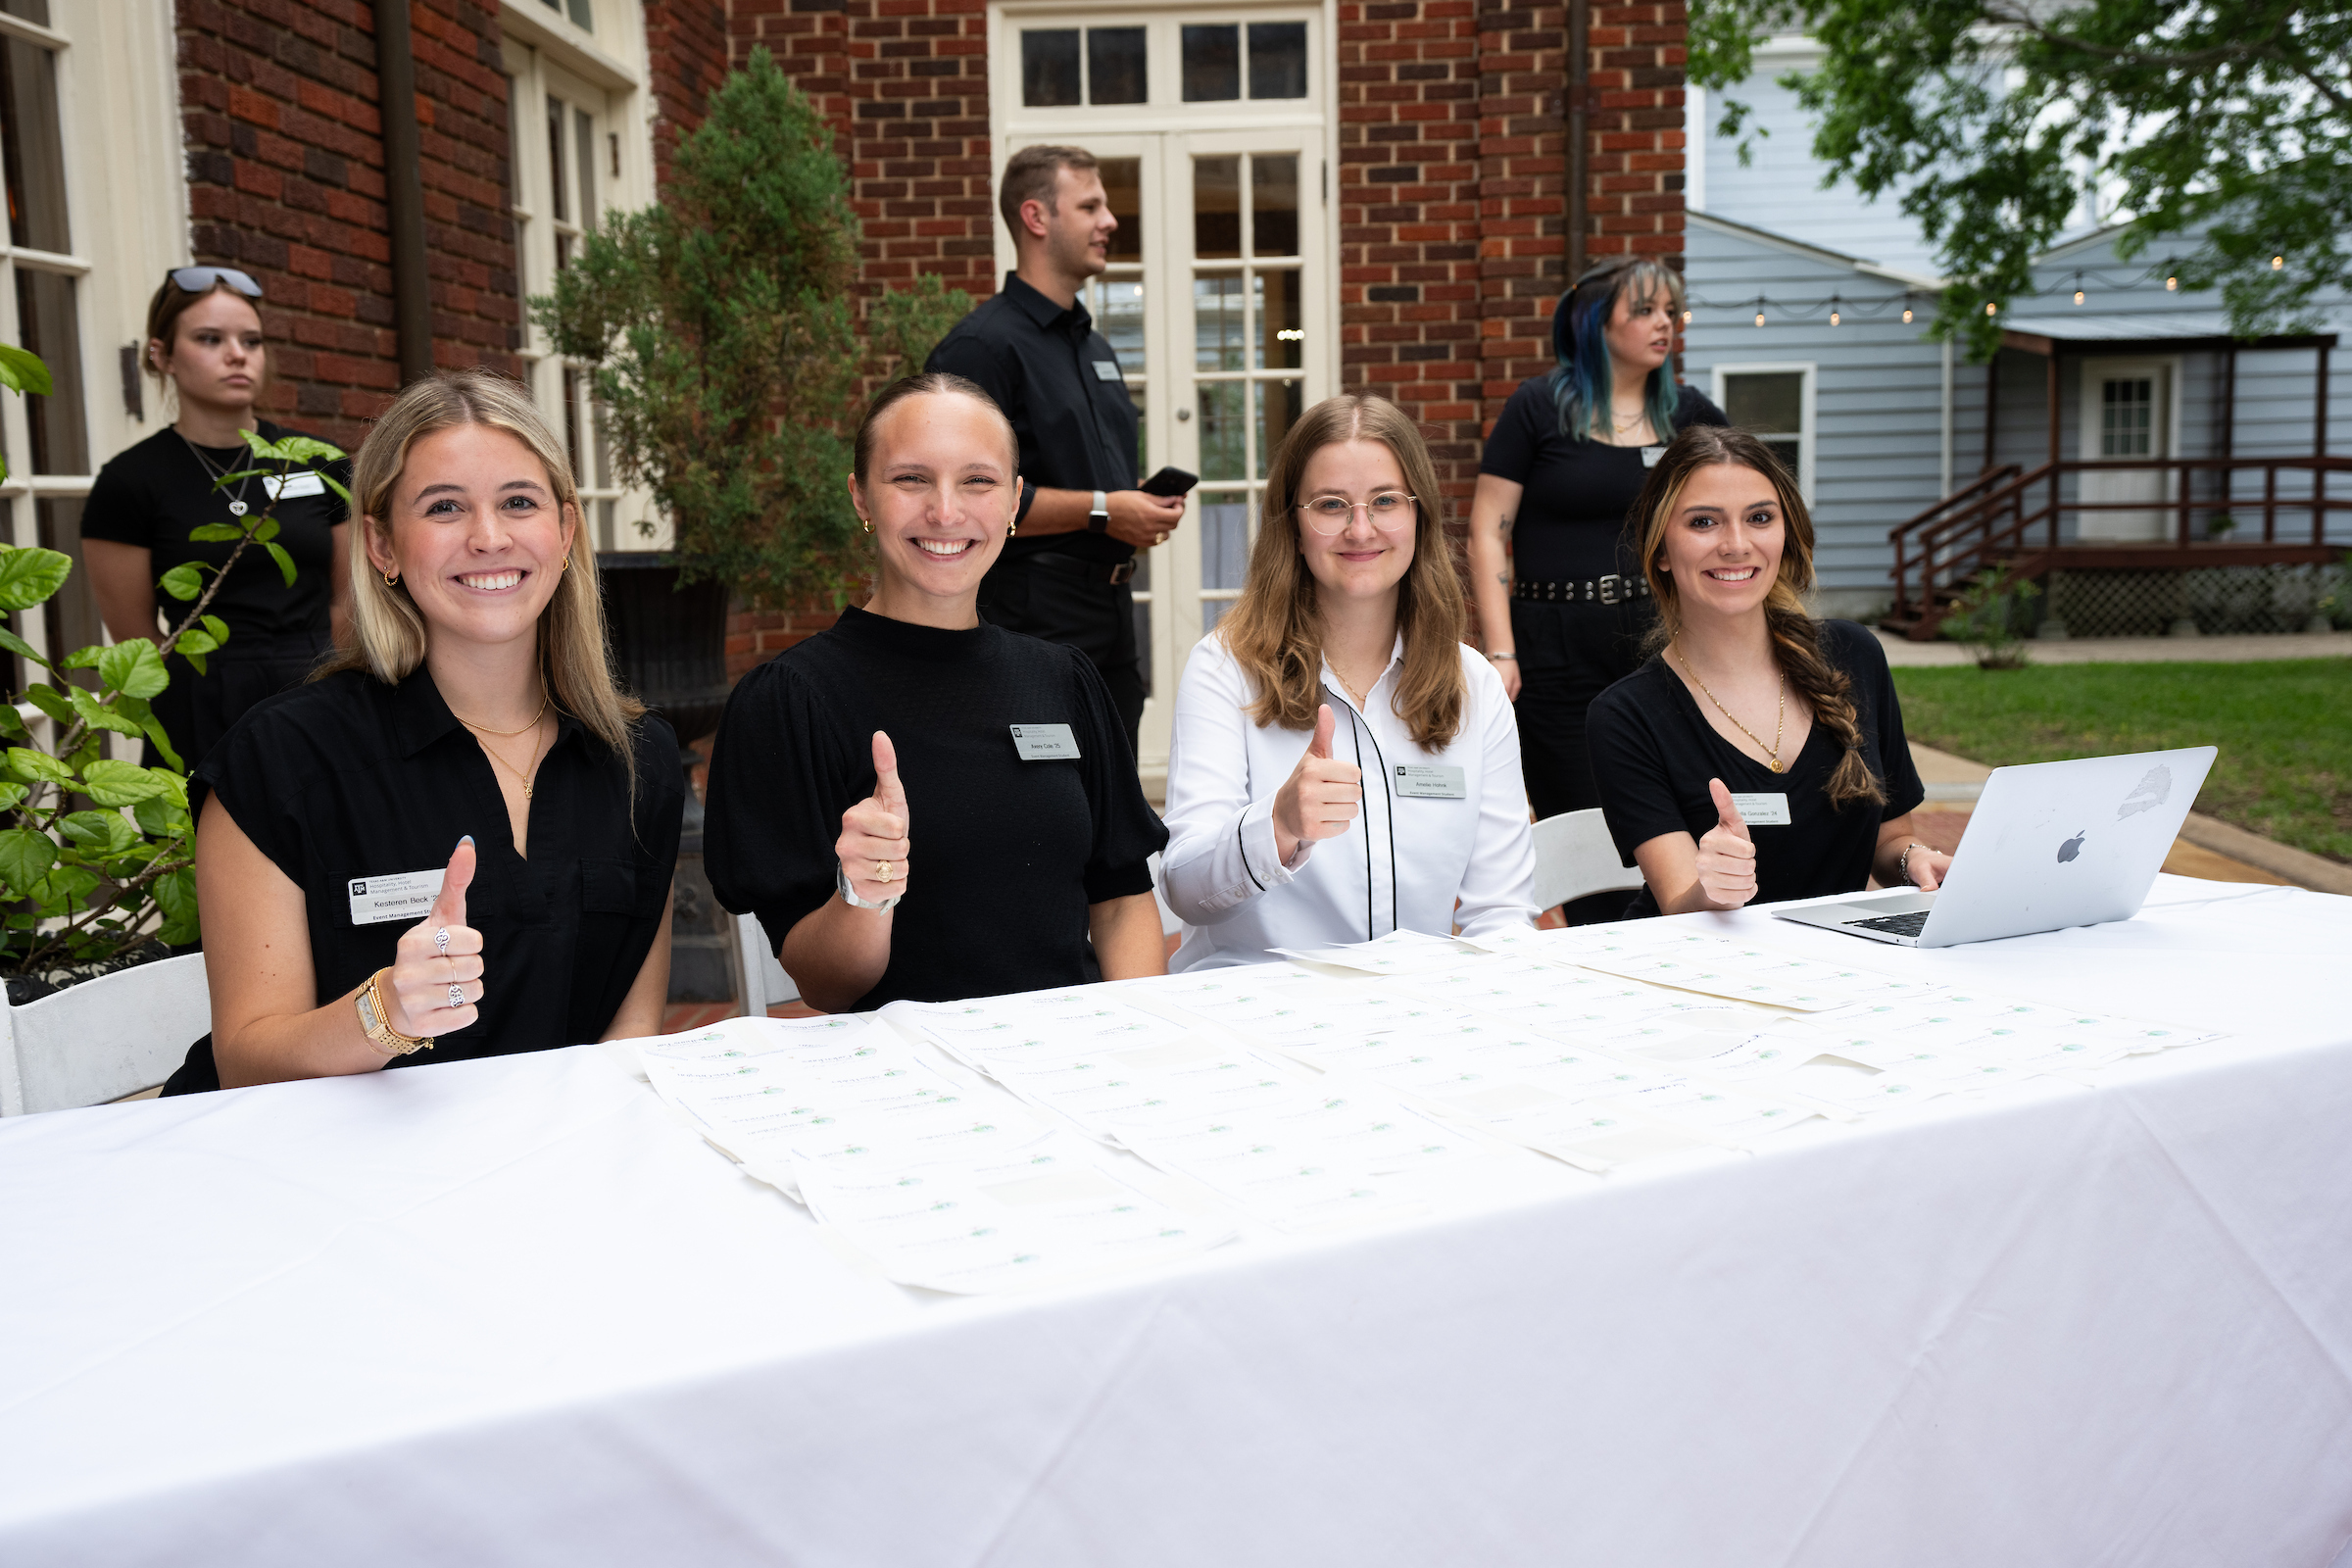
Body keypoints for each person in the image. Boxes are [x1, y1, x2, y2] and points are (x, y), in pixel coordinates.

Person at [163, 370, 681, 1093]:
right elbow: (246, 1059)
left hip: (537, 1165)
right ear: (382, 545)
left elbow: (628, 1033)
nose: (489, 537)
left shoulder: (641, 759)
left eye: (519, 503)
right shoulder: (281, 759)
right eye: (445, 508)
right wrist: (383, 1015)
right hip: (314, 1174)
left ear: (565, 532)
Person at [705, 373, 1169, 1013]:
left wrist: (1139, 1042)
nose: (946, 512)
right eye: (911, 479)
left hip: (1070, 1069)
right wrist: (863, 893)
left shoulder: (1065, 681)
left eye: (977, 481)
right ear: (862, 498)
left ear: (1013, 501)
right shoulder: (789, 702)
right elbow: (826, 985)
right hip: (904, 1089)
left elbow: (1120, 904)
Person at [1160, 394, 1537, 967]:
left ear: (1419, 515)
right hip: (1257, 1012)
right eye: (1331, 505)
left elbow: (1501, 913)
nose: (1360, 529)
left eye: (1385, 501)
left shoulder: (1474, 686)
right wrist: (1278, 825)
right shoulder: (1225, 669)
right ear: (1292, 522)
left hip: (1415, 1015)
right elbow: (1185, 891)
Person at [1585, 424, 1952, 918]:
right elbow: (1679, 903)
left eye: (1759, 517)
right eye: (1703, 523)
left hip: (1840, 964)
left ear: (1786, 532)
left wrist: (1914, 861)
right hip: (1704, 977)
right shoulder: (1625, 715)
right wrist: (1716, 885)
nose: (1736, 544)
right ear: (1662, 550)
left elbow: (1891, 839)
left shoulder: (1854, 654)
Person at [1467, 256, 1729, 920]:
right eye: (1643, 310)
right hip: (1553, 645)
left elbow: (1742, 510)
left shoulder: (1690, 414)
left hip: (1662, 640)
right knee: (1583, 830)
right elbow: (1487, 531)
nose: (1664, 323)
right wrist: (1501, 653)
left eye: (1670, 310)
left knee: (1681, 812)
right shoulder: (1539, 407)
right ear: (1593, 322)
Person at [924, 144, 1184, 759]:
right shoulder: (980, 349)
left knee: (1109, 811)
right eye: (1090, 205)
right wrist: (1104, 509)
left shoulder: (1092, 345)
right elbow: (960, 500)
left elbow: (1089, 473)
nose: (1110, 221)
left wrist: (1133, 507)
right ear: (1037, 218)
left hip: (1114, 618)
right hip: (1031, 621)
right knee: (1043, 801)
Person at [81, 267, 354, 775]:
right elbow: (139, 641)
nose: (237, 354)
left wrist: (339, 685)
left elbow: (349, 599)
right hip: (199, 702)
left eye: (251, 340)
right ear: (161, 355)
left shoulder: (319, 463)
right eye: (210, 339)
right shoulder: (131, 481)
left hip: (317, 687)